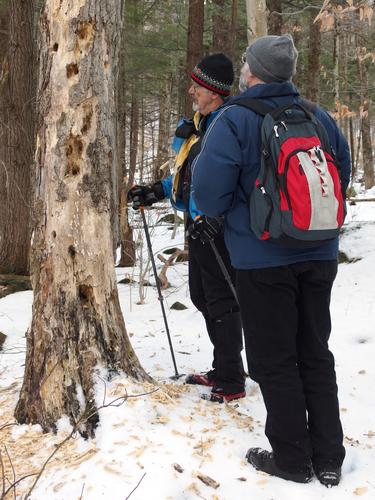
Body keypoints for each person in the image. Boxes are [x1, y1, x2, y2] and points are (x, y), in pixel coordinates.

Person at [192, 35, 350, 486]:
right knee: (315, 351)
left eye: (245, 64)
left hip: (261, 258)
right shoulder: (318, 117)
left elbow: (206, 194)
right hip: (320, 252)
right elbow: (344, 170)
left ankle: (293, 459)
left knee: (274, 359)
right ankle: (328, 456)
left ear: (252, 71)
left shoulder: (234, 118)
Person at [128, 53, 245, 403]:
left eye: (198, 85)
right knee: (202, 296)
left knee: (222, 302)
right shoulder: (199, 125)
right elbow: (187, 176)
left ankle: (232, 379)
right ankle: (223, 369)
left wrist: (217, 217)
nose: (191, 90)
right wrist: (157, 190)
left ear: (214, 91)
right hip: (197, 227)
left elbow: (240, 178)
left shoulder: (228, 124)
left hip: (219, 230)